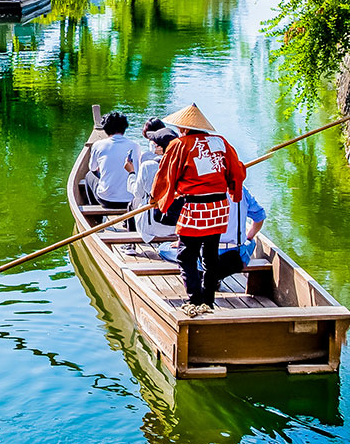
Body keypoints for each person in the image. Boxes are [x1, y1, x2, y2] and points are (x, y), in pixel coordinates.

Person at [149, 104, 245, 316]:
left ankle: (194, 299)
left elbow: (166, 175)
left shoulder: (179, 145)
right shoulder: (220, 142)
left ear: (183, 128)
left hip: (195, 207)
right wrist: (233, 186)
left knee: (185, 256)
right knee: (210, 256)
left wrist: (156, 199)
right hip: (219, 207)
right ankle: (208, 301)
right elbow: (236, 171)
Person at [130, 128, 179, 242]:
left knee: (132, 204)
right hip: (177, 227)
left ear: (160, 148)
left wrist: (131, 174)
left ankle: (130, 245)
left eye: (155, 143)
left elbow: (138, 193)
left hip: (152, 228)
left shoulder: (148, 166)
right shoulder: (184, 165)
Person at [87, 112, 141, 209]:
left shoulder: (98, 145)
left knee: (89, 176)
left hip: (106, 200)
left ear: (106, 129)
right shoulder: (135, 146)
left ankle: (94, 212)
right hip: (131, 200)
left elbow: (92, 168)